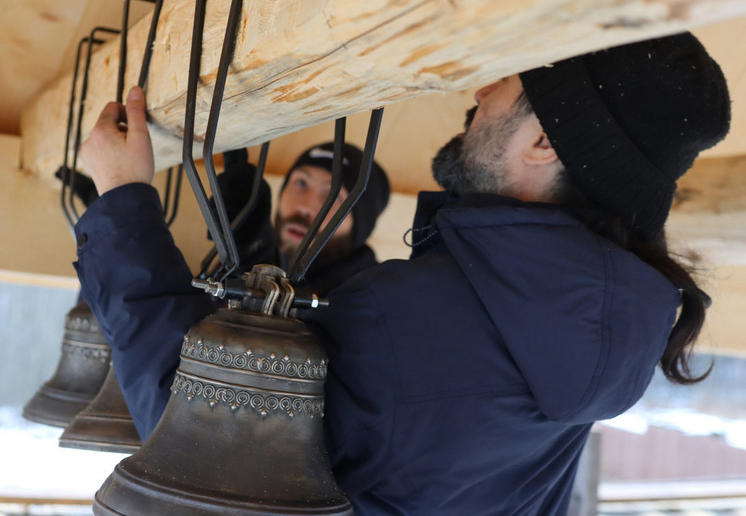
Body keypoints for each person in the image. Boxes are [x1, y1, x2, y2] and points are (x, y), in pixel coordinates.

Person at [75, 31, 730, 515]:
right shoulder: (589, 327)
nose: (480, 91)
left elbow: (197, 438)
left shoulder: (414, 321)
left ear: (544, 143)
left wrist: (121, 206)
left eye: (507, 82)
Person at [206, 141, 390, 295]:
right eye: (301, 183)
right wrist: (248, 258)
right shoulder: (246, 249)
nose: (305, 207)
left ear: (360, 226)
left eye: (334, 197)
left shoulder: (376, 298)